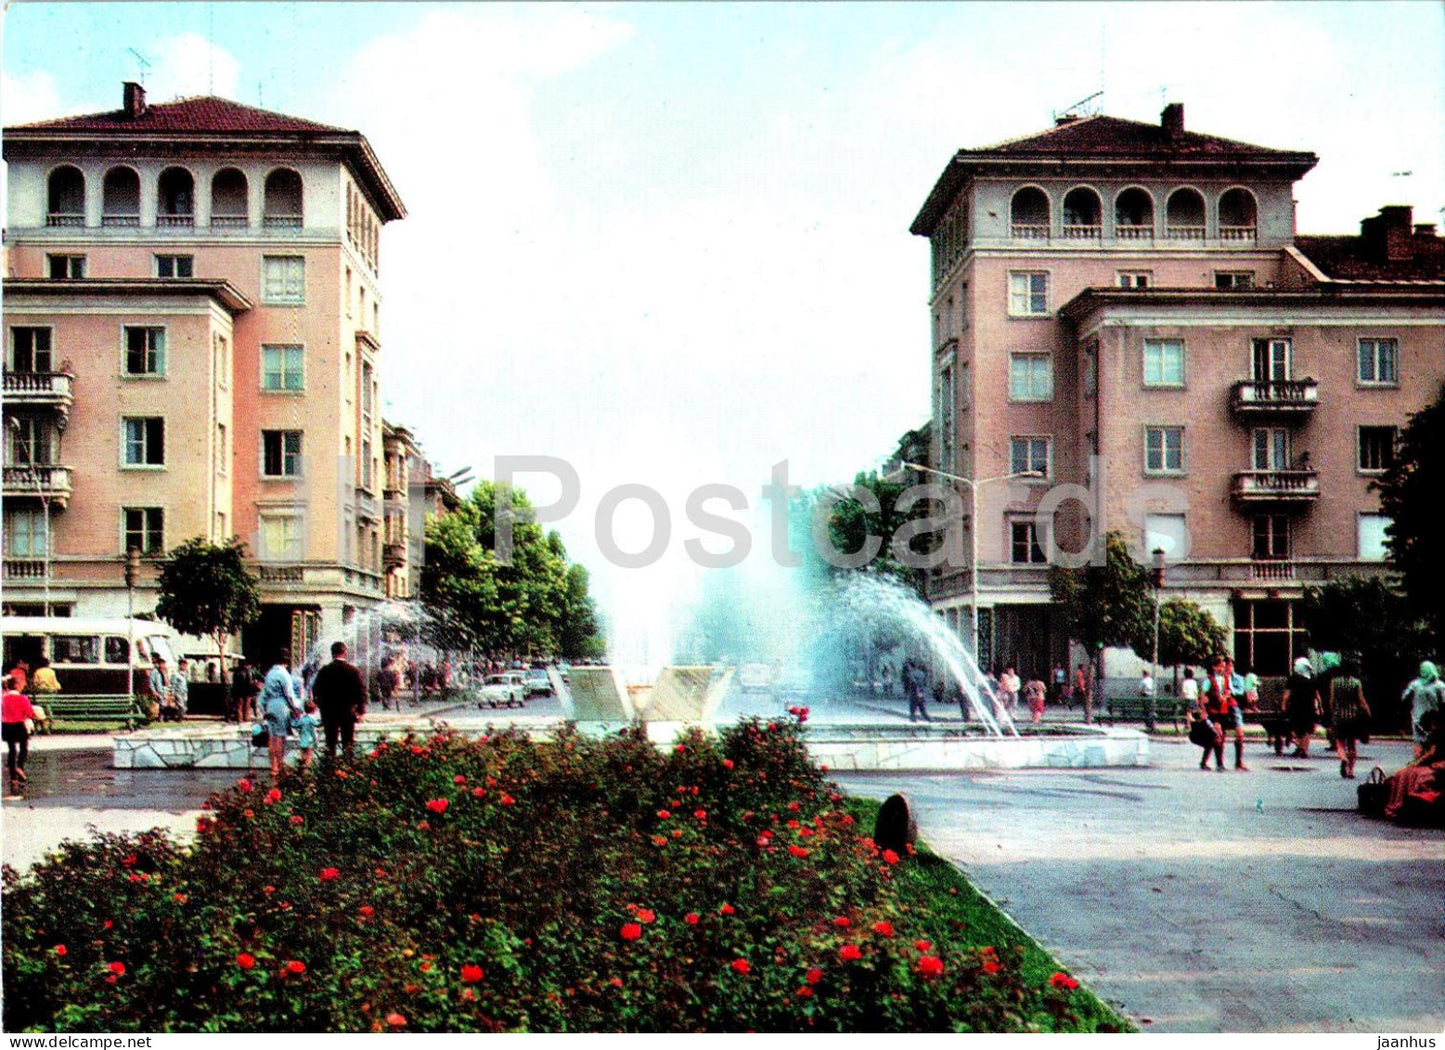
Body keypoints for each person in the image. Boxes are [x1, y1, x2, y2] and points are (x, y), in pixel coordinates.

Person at [312, 641, 367, 756]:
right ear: (345, 653)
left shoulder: (325, 670)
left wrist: (320, 704)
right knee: (348, 741)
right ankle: (347, 767)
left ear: (332, 653)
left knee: (330, 742)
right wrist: (361, 711)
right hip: (347, 711)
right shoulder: (353, 671)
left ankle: (330, 768)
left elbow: (316, 689)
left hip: (329, 712)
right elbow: (361, 692)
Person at [1199, 654, 1247, 771]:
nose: (1222, 669)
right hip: (1213, 710)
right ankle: (1219, 764)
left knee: (1219, 736)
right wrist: (1203, 710)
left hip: (1223, 710)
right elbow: (1203, 696)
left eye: (1223, 666)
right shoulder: (1209, 680)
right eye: (1219, 667)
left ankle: (1206, 762)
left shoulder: (1225, 679)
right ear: (1214, 667)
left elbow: (1228, 691)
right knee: (1217, 735)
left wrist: (1225, 696)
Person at [1328, 658, 1371, 779]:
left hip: (1339, 715)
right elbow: (1361, 701)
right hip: (1353, 716)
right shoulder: (1356, 682)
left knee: (1340, 743)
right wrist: (1368, 712)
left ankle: (1343, 759)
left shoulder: (1334, 682)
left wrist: (1332, 713)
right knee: (1352, 745)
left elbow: (1332, 700)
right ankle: (1351, 770)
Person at [2, 674, 37, 796]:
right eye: (22, 684)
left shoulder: (3, 698)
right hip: (18, 725)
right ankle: (20, 767)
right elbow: (30, 713)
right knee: (23, 747)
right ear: (16, 686)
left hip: (6, 725)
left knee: (12, 750)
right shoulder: (23, 698)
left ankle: (13, 777)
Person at [1402, 661, 1445, 757]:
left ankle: (1418, 763)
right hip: (1436, 721)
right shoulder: (1440, 686)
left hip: (1418, 719)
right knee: (1436, 742)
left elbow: (1404, 698)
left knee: (1419, 743)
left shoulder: (1415, 685)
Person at [1283, 657, 1321, 758]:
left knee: (1296, 727)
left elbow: (1287, 693)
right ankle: (1304, 749)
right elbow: (1317, 694)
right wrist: (1320, 706)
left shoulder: (1293, 678)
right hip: (1309, 706)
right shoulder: (1312, 678)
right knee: (1307, 728)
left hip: (1296, 706)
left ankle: (1299, 746)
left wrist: (1283, 704)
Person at [262, 678, 294, 779]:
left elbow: (261, 701)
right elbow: (290, 697)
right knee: (280, 739)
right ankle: (279, 765)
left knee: (272, 738)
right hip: (281, 711)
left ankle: (274, 767)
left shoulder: (268, 688)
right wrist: (295, 708)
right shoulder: (284, 682)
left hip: (270, 710)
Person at [260, 650, 300, 719]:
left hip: (270, 706)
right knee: (282, 729)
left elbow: (263, 695)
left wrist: (263, 709)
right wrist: (295, 708)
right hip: (282, 707)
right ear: (287, 662)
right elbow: (289, 695)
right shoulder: (284, 674)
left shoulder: (269, 674)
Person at [149, 657, 181, 722]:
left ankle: (165, 718)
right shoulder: (155, 672)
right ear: (158, 664)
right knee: (162, 705)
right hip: (159, 691)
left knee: (165, 705)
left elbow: (167, 682)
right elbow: (151, 682)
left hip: (165, 691)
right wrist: (153, 691)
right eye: (162, 664)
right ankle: (160, 718)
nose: (163, 666)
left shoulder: (165, 672)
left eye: (164, 664)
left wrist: (170, 691)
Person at [294, 699, 321, 769]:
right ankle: (307, 768)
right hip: (310, 740)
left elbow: (295, 725)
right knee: (309, 755)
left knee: (303, 754)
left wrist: (294, 718)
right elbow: (317, 725)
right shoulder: (311, 719)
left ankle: (302, 766)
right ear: (314, 710)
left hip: (302, 739)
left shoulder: (302, 719)